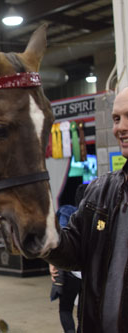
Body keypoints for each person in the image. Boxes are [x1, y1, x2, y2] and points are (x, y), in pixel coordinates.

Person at [45, 87, 128, 333]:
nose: (121, 127)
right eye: (116, 118)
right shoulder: (100, 191)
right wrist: (45, 236)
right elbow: (74, 252)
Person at [49, 184, 86, 333]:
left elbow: (62, 238)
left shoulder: (67, 212)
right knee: (84, 311)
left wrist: (53, 262)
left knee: (65, 309)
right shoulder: (102, 217)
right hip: (91, 272)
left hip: (71, 272)